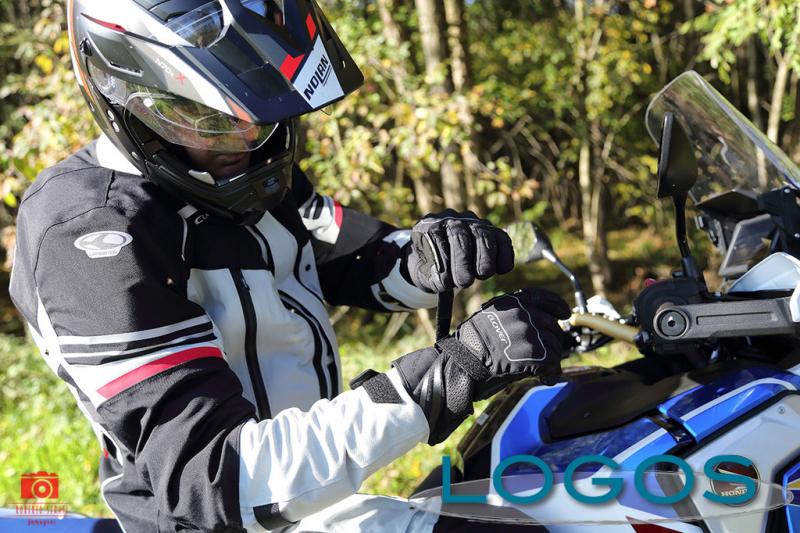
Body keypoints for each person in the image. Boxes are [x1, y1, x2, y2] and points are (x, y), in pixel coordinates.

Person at [9, 1, 570, 531]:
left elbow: (348, 257)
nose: (244, 137)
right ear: (122, 95)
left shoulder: (240, 169)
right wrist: (449, 374)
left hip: (311, 496)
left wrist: (428, 257)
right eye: (204, 116)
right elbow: (217, 477)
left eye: (255, 109)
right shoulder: (91, 234)